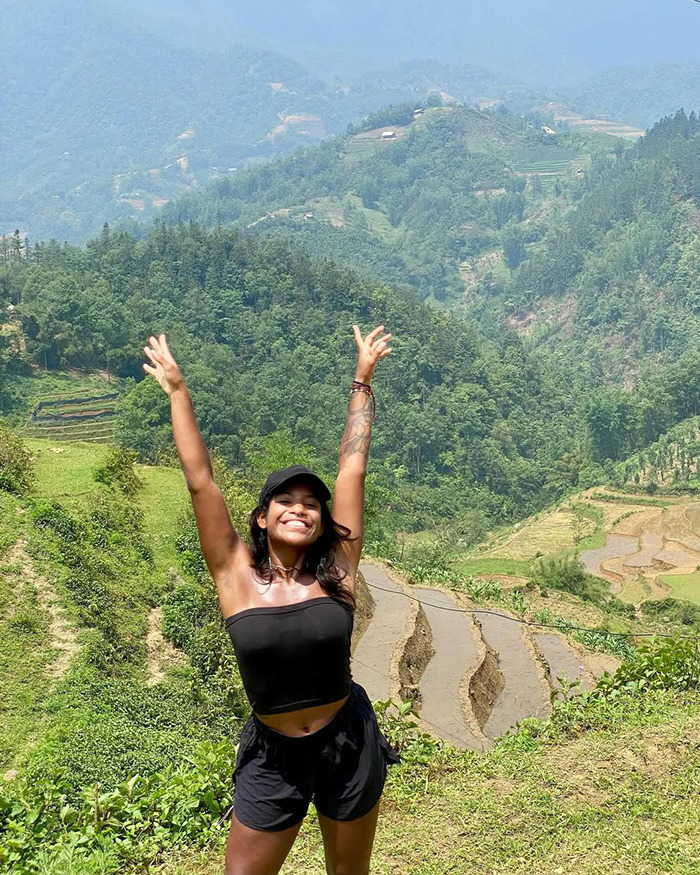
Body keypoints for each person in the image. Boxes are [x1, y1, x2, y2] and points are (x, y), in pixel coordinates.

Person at [143, 325, 398, 875]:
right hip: (272, 757)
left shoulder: (339, 567)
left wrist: (362, 380)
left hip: (347, 741)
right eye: (285, 500)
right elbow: (201, 482)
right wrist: (178, 393)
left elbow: (353, 466)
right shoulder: (233, 572)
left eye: (311, 503)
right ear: (262, 517)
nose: (300, 509)